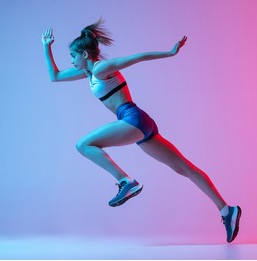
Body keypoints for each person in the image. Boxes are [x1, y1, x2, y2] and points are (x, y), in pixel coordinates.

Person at [42, 18, 241, 243]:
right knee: (183, 168)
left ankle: (126, 182)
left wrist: (170, 53)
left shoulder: (100, 68)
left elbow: (136, 58)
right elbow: (55, 76)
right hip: (140, 122)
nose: (71, 60)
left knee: (83, 145)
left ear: (85, 55)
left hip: (132, 119)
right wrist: (46, 48)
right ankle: (227, 210)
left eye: (73, 55)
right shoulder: (87, 74)